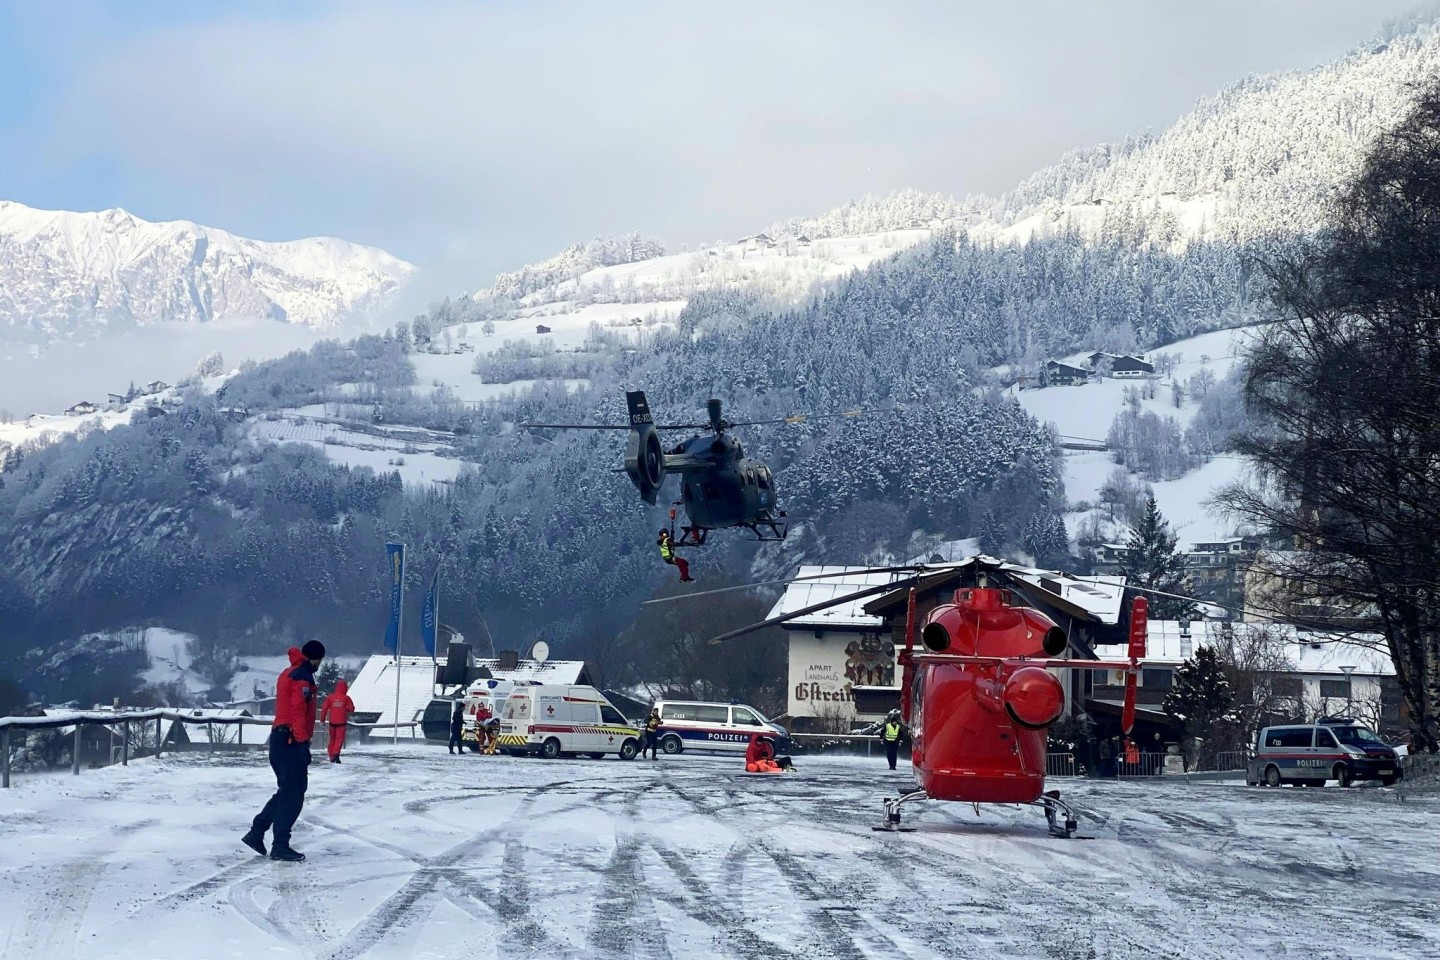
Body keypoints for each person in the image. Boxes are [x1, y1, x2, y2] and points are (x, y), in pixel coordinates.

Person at [243, 640, 325, 862]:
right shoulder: (302, 677)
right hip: (290, 740)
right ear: (316, 658)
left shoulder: (289, 672)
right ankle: (279, 845)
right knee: (294, 794)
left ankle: (257, 831)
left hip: (280, 739)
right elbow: (299, 711)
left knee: (287, 790)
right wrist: (301, 743)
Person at [320, 678, 355, 763]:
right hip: (341, 722)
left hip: (332, 722)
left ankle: (331, 755)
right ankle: (336, 753)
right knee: (339, 739)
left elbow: (324, 709)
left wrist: (322, 720)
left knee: (332, 739)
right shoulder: (346, 698)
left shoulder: (330, 697)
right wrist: (344, 710)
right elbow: (351, 709)